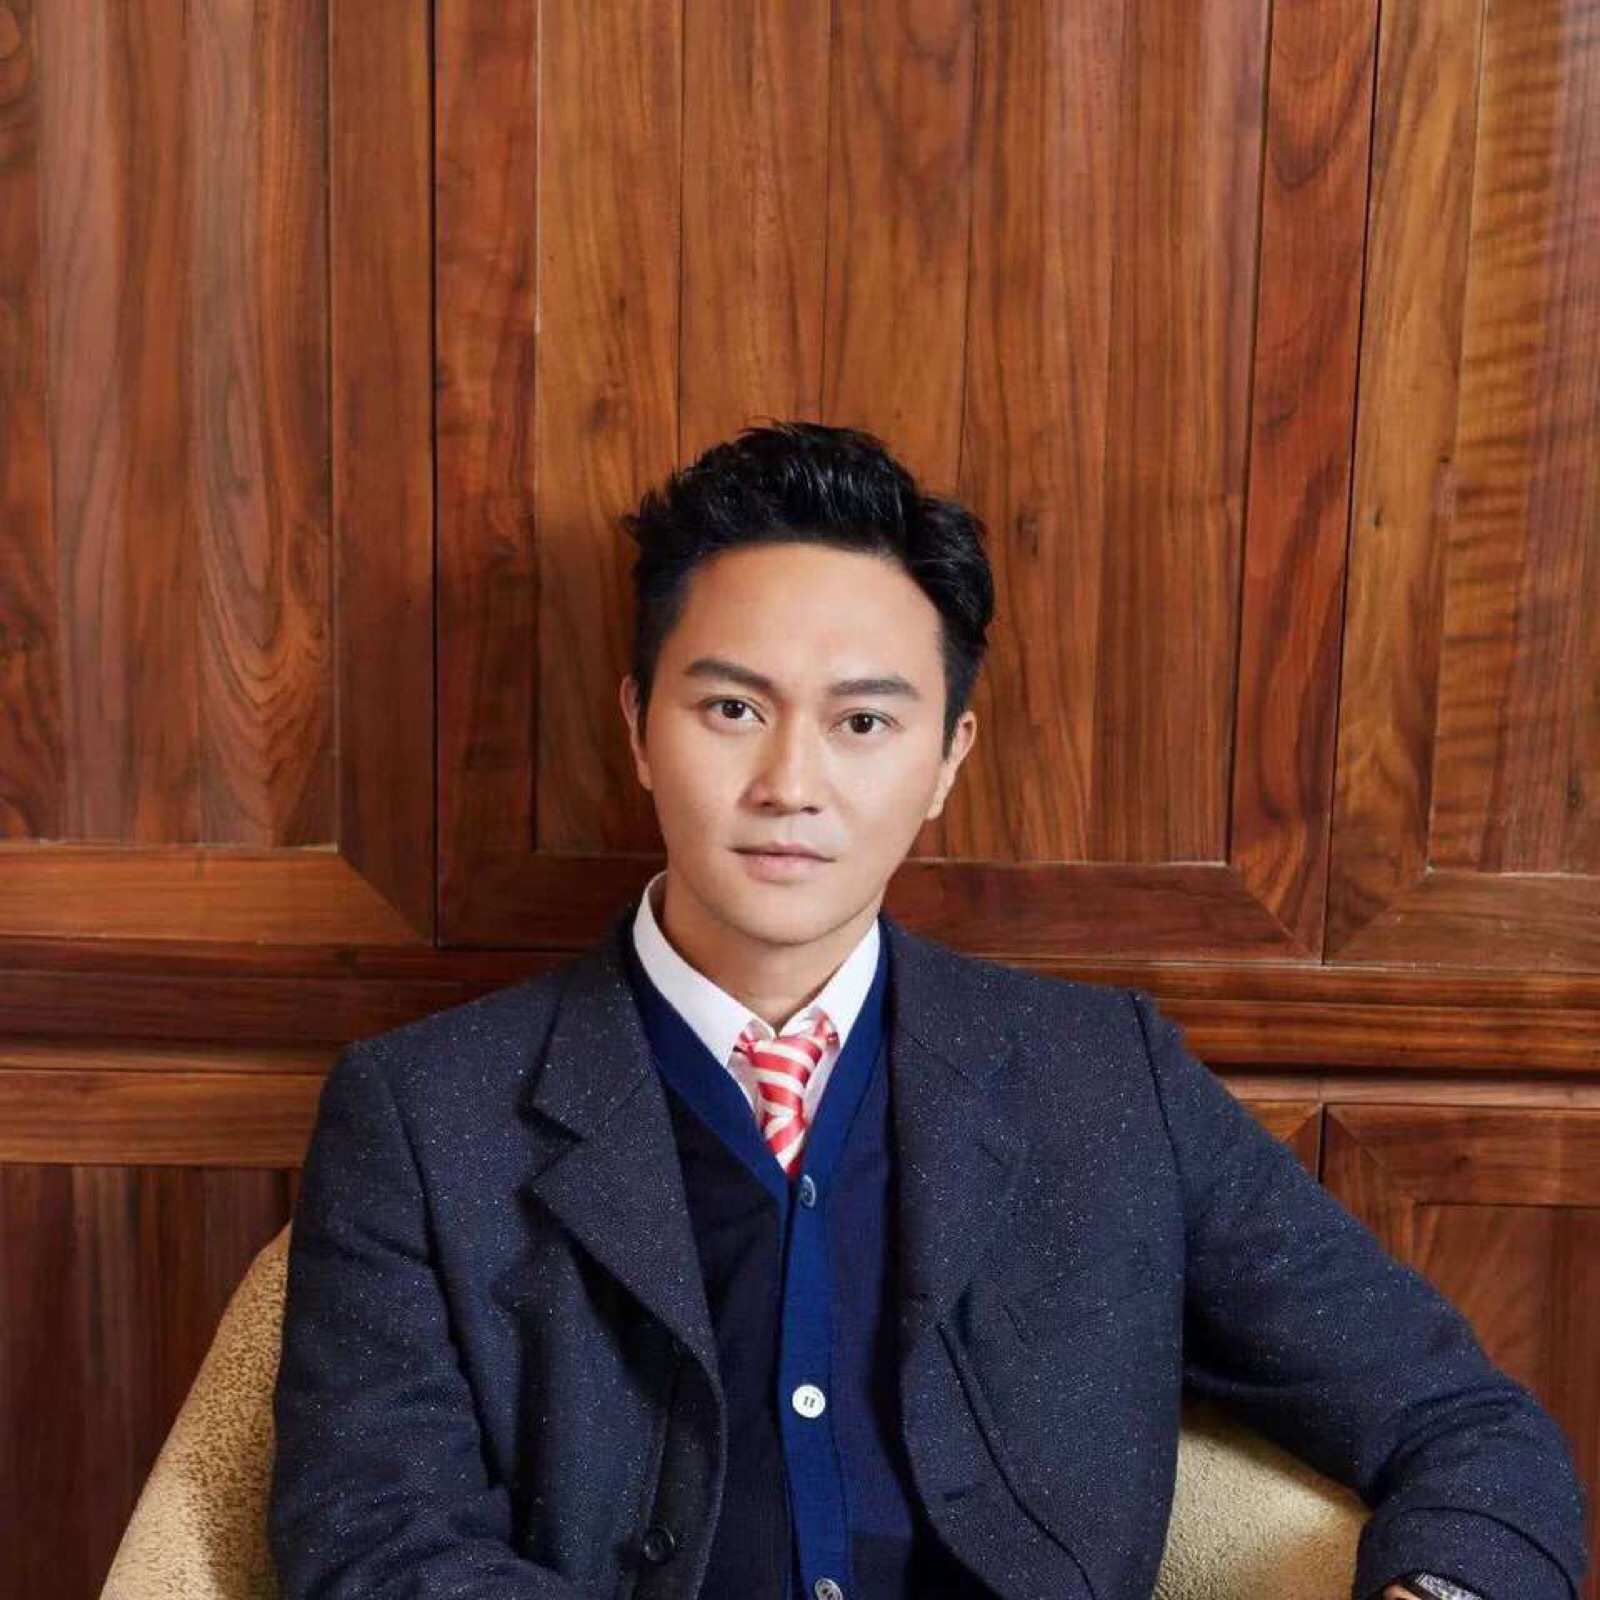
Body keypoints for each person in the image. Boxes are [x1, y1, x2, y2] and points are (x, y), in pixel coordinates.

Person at [268, 422, 1587, 1600]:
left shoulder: (1107, 1084)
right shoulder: (422, 1112)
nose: (790, 783)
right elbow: (373, 1544)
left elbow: (1463, 1422)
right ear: (637, 727)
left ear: (949, 756)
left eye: (863, 724)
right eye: (731, 707)